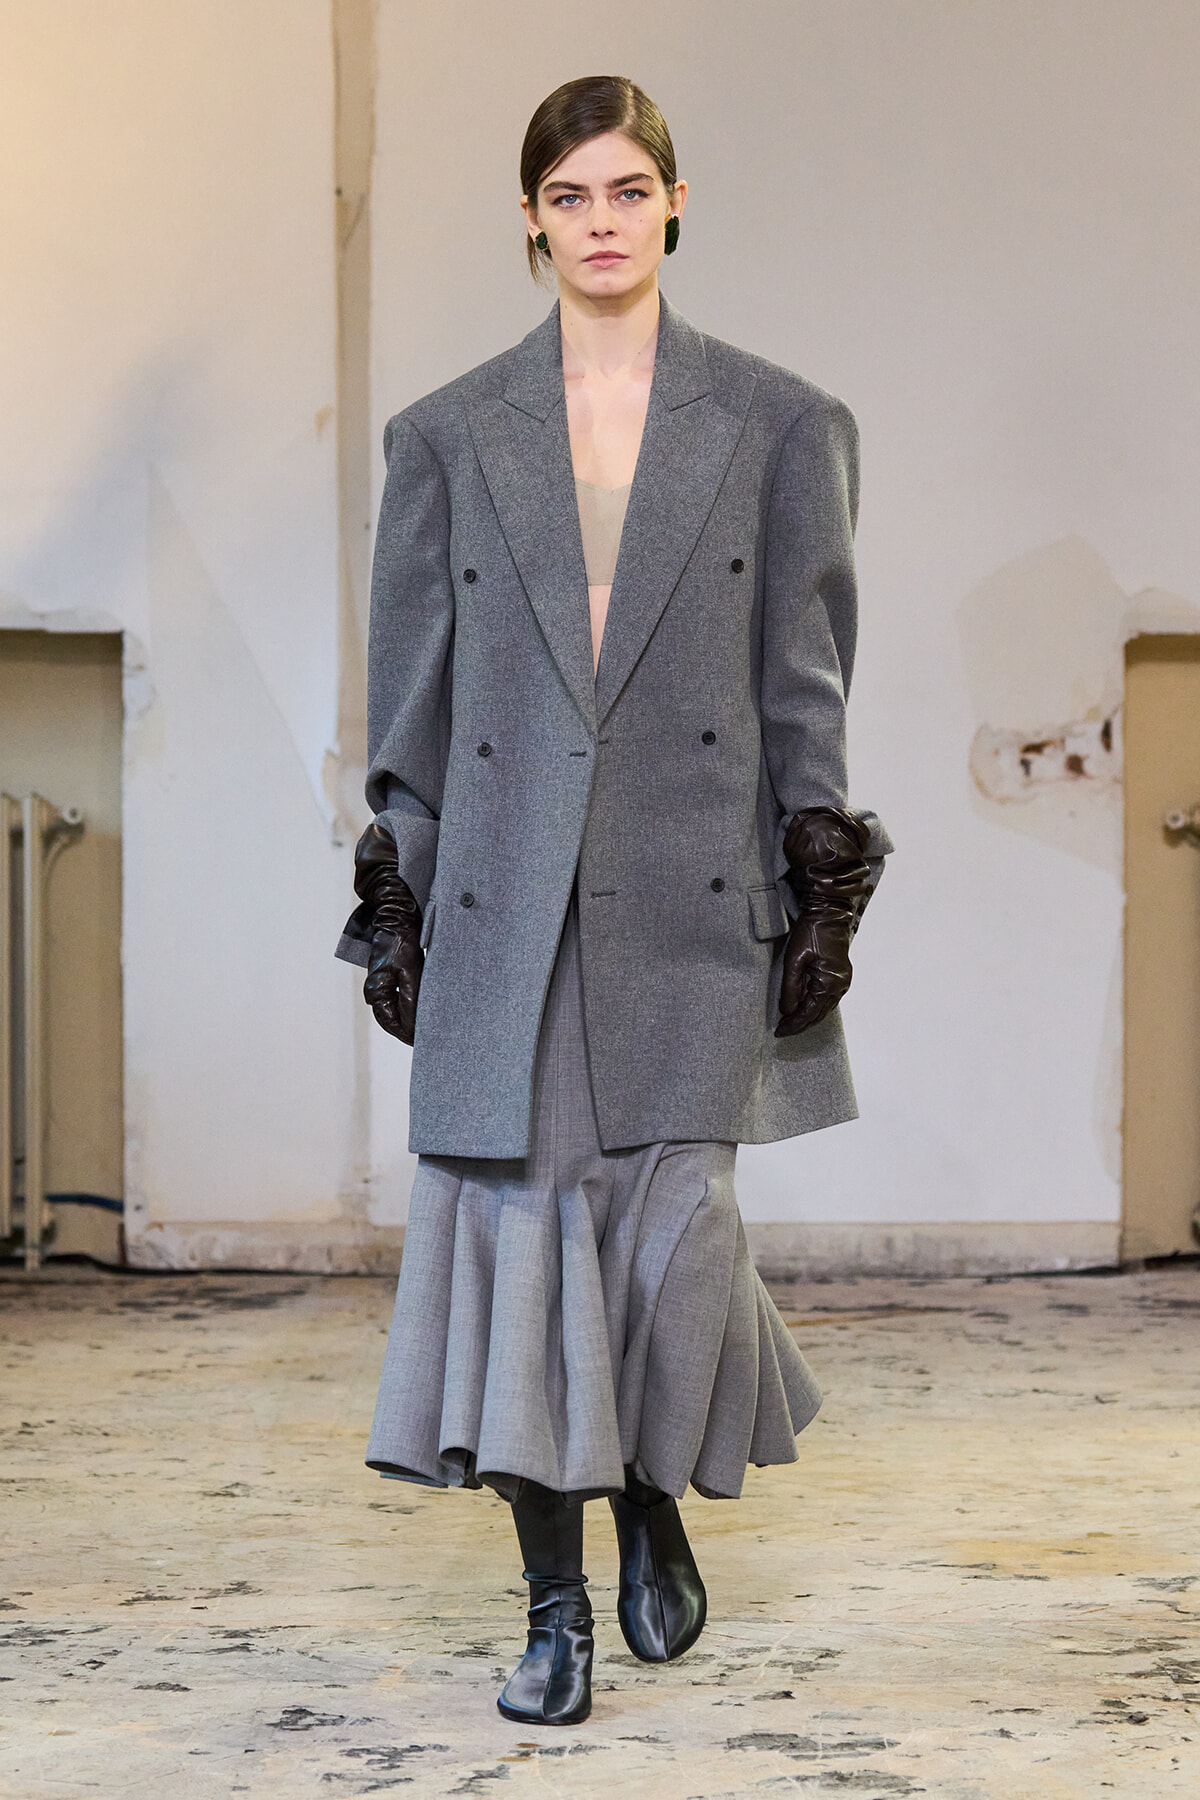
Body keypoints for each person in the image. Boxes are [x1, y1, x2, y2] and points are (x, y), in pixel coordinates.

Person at [336, 74, 892, 1728]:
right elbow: (415, 702)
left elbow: (804, 684)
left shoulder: (781, 425)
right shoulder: (446, 436)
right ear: (531, 218)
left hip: (692, 894)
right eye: (570, 194)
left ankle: (651, 1494)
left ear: (675, 203)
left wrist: (821, 887)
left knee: (676, 1235)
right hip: (508, 901)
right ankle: (554, 1604)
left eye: (628, 189)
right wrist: (398, 896)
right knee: (520, 1243)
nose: (601, 221)